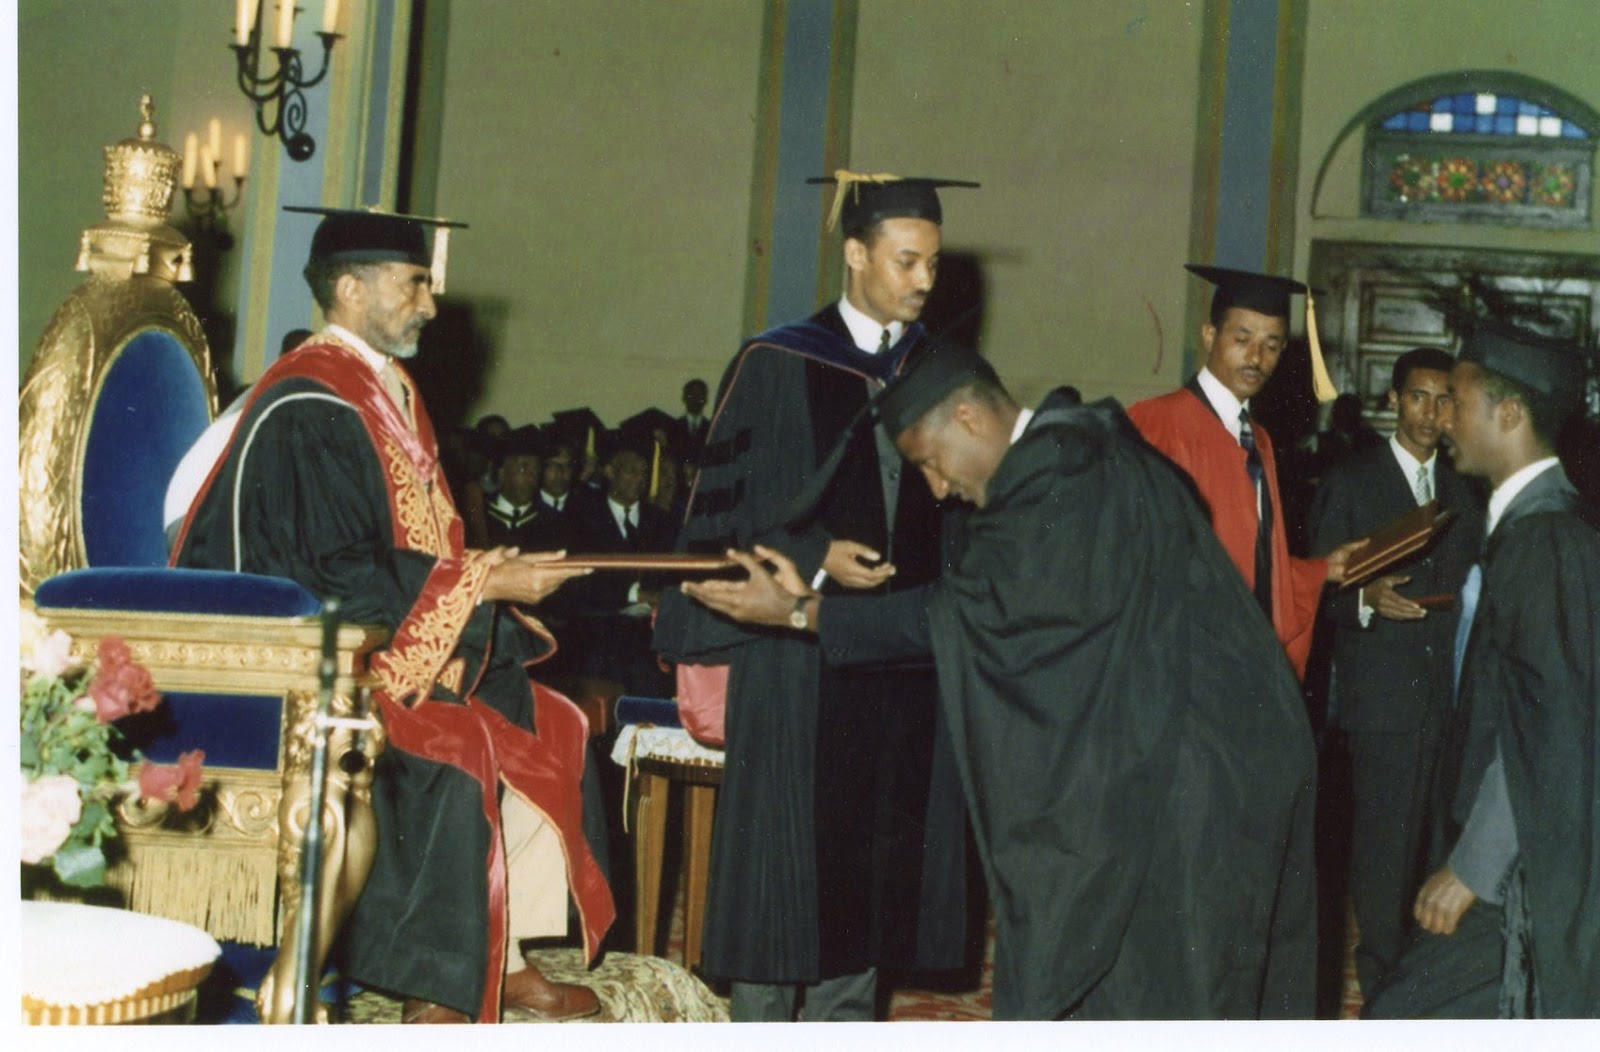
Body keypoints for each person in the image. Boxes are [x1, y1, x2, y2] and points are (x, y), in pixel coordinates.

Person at [679, 341, 1319, 1020]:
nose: (937, 488)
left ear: (969, 417)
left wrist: (803, 613)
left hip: (1199, 770)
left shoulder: (1061, 475)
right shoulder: (1091, 446)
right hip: (1218, 751)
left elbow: (975, 612)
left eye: (930, 461)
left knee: (1166, 987)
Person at [169, 208, 614, 1024]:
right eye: (414, 285)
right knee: (458, 744)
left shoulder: (388, 389)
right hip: (312, 656)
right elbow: (329, 570)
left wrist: (487, 575)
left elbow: (414, 542)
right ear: (350, 288)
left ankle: (503, 951)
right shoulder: (309, 402)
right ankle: (436, 984)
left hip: (390, 634)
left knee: (551, 719)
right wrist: (483, 584)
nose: (430, 306)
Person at [652, 172, 977, 1021]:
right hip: (793, 654)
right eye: (906, 261)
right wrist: (814, 555)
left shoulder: (940, 369)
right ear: (856, 255)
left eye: (933, 263)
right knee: (782, 877)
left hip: (900, 661)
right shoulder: (777, 362)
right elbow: (723, 519)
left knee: (872, 876)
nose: (925, 281)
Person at [1365, 319, 1599, 1018]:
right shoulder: (1529, 528)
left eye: (1458, 403)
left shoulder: (1546, 542)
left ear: (1510, 414)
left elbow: (1549, 725)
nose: (1444, 420)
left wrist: (1472, 868)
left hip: (1512, 876)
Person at [1306, 347, 1485, 997]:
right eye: (1417, 397)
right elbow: (1312, 589)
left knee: (1437, 852)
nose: (1430, 414)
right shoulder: (1351, 480)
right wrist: (1364, 598)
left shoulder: (1465, 488)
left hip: (1449, 701)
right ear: (1392, 400)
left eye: (1444, 401)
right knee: (1384, 857)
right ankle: (1382, 994)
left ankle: (1423, 993)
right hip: (1381, 703)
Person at [1128, 265, 1359, 678]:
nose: (1256, 358)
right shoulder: (1159, 424)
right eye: (1242, 339)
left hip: (1240, 657)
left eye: (1272, 345)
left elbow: (1255, 563)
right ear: (1208, 335)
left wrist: (1324, 569)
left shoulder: (1259, 440)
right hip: (1184, 659)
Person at [485, 424, 564, 551]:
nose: (531, 477)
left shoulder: (553, 522)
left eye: (536, 470)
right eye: (523, 468)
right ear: (501, 472)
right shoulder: (478, 515)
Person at [675, 377, 711, 463]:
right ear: (684, 398)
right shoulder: (674, 427)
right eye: (691, 395)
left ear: (705, 400)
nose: (695, 399)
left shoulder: (712, 428)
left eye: (699, 396)